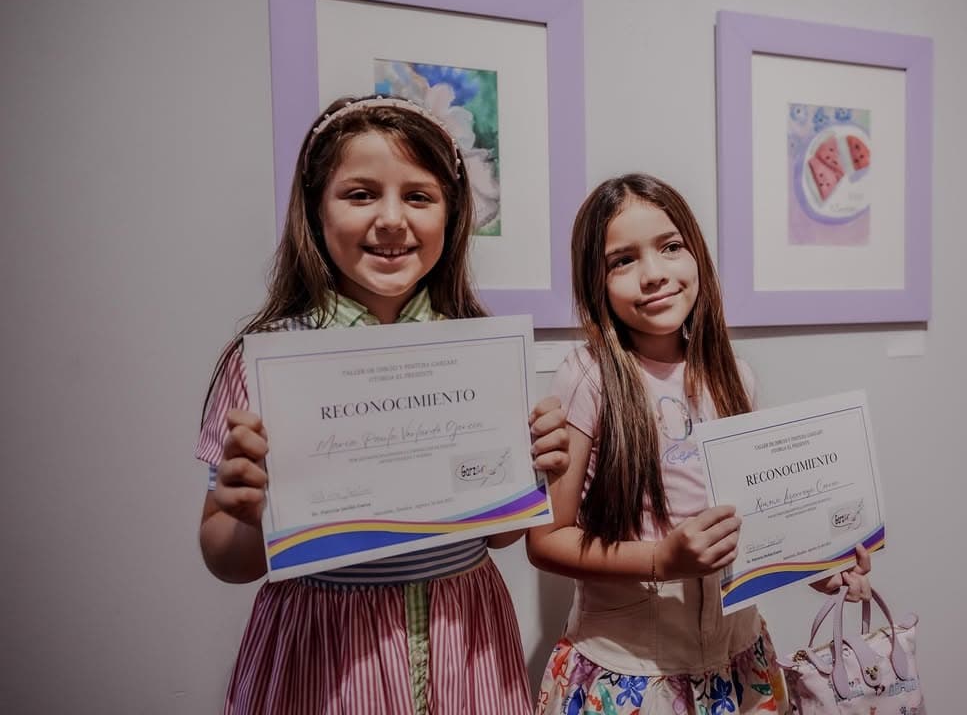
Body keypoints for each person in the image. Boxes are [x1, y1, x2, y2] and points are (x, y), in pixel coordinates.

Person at [195, 94, 568, 714]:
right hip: (326, 654)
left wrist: (531, 475)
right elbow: (228, 562)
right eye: (361, 194)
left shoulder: (481, 349)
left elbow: (496, 537)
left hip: (465, 644)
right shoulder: (267, 359)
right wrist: (240, 511)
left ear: (450, 214)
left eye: (418, 197)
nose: (392, 219)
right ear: (315, 210)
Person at [526, 173, 870, 714]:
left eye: (670, 248)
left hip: (739, 661)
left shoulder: (733, 374)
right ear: (596, 281)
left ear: (697, 256)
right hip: (632, 673)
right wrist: (661, 558)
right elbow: (545, 540)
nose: (654, 274)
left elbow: (758, 515)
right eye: (623, 260)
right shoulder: (586, 377)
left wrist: (816, 564)